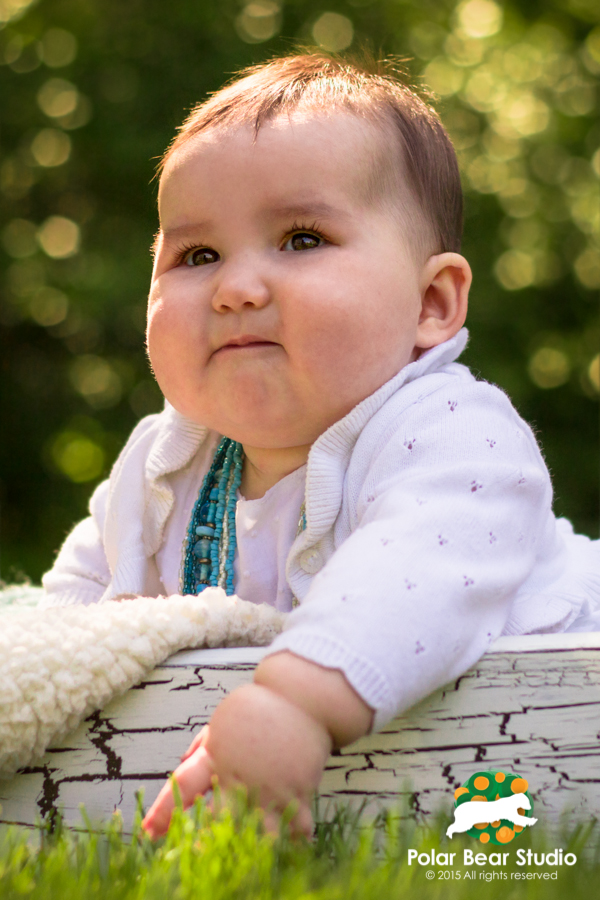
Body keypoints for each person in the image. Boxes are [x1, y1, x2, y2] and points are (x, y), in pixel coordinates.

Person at [40, 52, 600, 838]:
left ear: (430, 304)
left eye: (301, 239)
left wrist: (296, 704)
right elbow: (65, 622)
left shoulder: (454, 435)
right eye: (198, 255)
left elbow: (416, 569)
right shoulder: (161, 462)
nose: (237, 287)